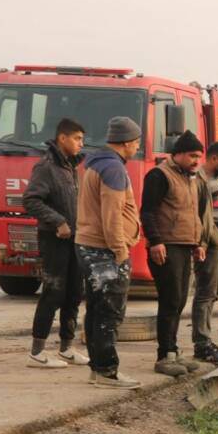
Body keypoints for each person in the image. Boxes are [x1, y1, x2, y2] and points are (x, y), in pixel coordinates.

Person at [74, 116, 142, 389]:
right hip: (104, 250)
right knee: (110, 312)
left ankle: (98, 368)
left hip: (90, 246)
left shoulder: (97, 163)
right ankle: (106, 371)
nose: (137, 147)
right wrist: (120, 250)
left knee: (97, 309)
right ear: (126, 142)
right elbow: (111, 215)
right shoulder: (113, 168)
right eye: (136, 142)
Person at [22, 117, 90, 369]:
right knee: (53, 293)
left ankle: (66, 348)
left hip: (74, 240)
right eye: (77, 138)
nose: (81, 143)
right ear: (62, 138)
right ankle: (37, 352)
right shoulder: (46, 167)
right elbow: (31, 200)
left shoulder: (70, 167)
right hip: (54, 240)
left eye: (82, 139)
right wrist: (58, 221)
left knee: (74, 293)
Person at [141, 130, 205, 377]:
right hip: (166, 246)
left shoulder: (191, 179)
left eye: (199, 156)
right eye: (192, 156)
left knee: (179, 301)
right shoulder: (159, 175)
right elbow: (148, 211)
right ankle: (164, 355)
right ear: (177, 154)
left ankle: (174, 349)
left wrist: (198, 243)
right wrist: (155, 241)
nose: (196, 161)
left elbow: (194, 215)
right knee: (170, 300)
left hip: (185, 245)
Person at [191, 142, 218, 364]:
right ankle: (201, 343)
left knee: (214, 293)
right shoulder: (200, 180)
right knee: (205, 293)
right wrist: (206, 242)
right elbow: (201, 217)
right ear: (213, 159)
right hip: (210, 245)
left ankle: (206, 339)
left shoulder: (217, 179)